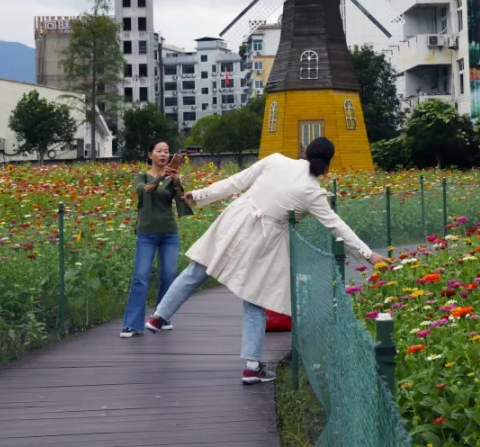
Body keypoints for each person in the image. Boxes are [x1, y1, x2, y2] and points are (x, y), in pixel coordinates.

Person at [143, 137, 391, 384]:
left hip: (236, 218)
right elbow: (337, 227)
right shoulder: (313, 191)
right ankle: (251, 366)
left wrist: (199, 195)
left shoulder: (275, 160)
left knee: (197, 270)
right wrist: (368, 254)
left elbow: (235, 182)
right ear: (327, 164)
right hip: (264, 238)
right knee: (255, 296)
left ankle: (159, 315)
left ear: (304, 151)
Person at [120, 140, 191, 338]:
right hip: (147, 232)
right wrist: (161, 176)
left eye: (166, 152)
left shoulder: (171, 178)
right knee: (140, 277)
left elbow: (182, 203)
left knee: (168, 276)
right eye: (159, 151)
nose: (163, 154)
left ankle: (162, 317)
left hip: (169, 231)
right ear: (150, 154)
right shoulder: (141, 176)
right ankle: (132, 324)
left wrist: (176, 182)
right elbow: (144, 191)